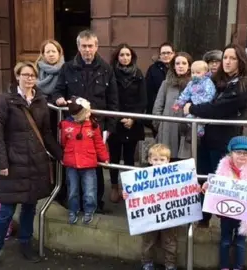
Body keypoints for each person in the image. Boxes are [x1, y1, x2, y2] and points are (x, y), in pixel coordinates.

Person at [0, 61, 62, 269]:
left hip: (35, 163)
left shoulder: (40, 100)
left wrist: (60, 155)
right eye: (26, 75)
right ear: (17, 76)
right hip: (13, 163)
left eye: (33, 75)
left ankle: (25, 244)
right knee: (6, 212)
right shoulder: (6, 100)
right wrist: (1, 163)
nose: (30, 78)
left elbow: (46, 133)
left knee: (30, 207)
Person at [184, 43, 247, 228]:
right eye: (225, 58)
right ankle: (203, 218)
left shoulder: (243, 84)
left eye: (232, 58)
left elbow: (218, 108)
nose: (227, 62)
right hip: (209, 136)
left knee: (221, 180)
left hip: (225, 139)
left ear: (241, 61)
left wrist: (192, 108)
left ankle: (227, 224)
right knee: (204, 176)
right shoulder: (220, 80)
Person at [51, 29, 119, 213]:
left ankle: (96, 204)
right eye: (84, 46)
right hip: (73, 127)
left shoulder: (106, 69)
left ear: (96, 46)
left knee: (95, 167)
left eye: (90, 46)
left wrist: (109, 129)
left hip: (96, 126)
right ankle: (73, 202)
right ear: (78, 47)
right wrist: (58, 99)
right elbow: (58, 91)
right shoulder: (67, 68)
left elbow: (113, 101)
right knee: (72, 165)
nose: (87, 50)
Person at [202, 136, 247, 270]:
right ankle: (224, 267)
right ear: (230, 153)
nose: (242, 156)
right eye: (238, 152)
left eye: (246, 153)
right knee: (225, 241)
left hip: (245, 215)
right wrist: (207, 185)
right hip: (226, 214)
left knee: (240, 243)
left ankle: (238, 267)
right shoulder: (222, 169)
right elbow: (215, 183)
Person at [122, 144, 178, 270]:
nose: (158, 163)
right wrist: (127, 194)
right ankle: (147, 263)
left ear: (168, 161)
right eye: (156, 160)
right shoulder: (143, 177)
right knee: (148, 241)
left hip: (169, 215)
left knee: (170, 241)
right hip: (149, 215)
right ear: (150, 160)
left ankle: (170, 264)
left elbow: (183, 190)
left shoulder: (174, 177)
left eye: (162, 160)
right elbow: (134, 192)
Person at [60, 96, 109, 225]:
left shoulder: (93, 126)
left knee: (90, 190)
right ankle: (73, 210)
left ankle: (89, 210)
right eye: (86, 111)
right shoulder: (66, 126)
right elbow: (63, 142)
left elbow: (99, 144)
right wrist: (64, 156)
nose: (90, 113)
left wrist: (105, 158)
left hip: (89, 164)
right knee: (72, 190)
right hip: (71, 163)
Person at [108, 43, 147, 203]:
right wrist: (118, 118)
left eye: (128, 55)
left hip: (133, 122)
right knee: (114, 156)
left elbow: (143, 99)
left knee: (130, 157)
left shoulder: (138, 74)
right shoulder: (110, 73)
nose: (125, 58)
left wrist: (133, 118)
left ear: (132, 57)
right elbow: (109, 97)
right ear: (117, 57)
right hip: (115, 121)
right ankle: (114, 186)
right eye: (122, 55)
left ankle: (128, 187)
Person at [152, 52, 193, 161]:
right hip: (167, 128)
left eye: (184, 63)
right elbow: (158, 106)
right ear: (174, 66)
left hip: (186, 129)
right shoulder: (166, 84)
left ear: (189, 66)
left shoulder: (194, 85)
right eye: (177, 63)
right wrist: (159, 124)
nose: (180, 66)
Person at [172, 60, 216, 138]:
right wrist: (179, 103)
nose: (195, 75)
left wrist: (199, 101)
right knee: (188, 118)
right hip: (193, 106)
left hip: (203, 105)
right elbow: (185, 94)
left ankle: (200, 129)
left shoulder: (207, 82)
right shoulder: (191, 83)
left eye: (198, 73)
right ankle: (195, 130)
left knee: (201, 119)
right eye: (193, 73)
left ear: (205, 73)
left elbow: (210, 94)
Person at [145, 42, 175, 137]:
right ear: (160, 55)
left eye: (169, 53)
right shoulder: (153, 69)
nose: (166, 55)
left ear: (173, 54)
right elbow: (148, 92)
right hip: (158, 112)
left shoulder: (178, 68)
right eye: (163, 53)